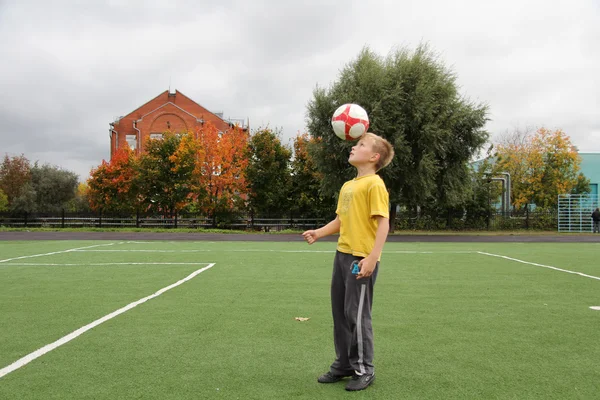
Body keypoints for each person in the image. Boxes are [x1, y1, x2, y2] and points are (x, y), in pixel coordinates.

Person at [302, 132, 394, 392]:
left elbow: (383, 222)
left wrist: (372, 258)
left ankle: (364, 368)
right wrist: (319, 233)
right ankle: (343, 364)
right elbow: (341, 220)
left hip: (361, 259)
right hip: (342, 256)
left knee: (357, 315)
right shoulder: (348, 186)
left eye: (361, 145)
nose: (354, 147)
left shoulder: (374, 184)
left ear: (374, 157)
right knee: (341, 314)